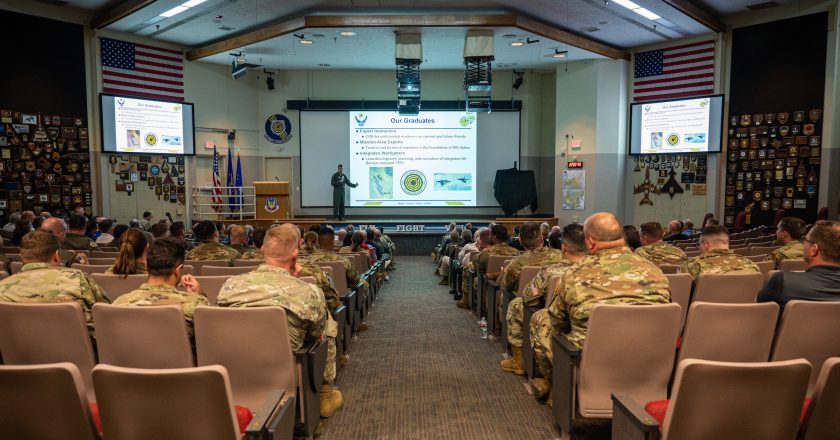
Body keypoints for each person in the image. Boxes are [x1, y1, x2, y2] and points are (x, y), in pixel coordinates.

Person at [217, 224, 343, 417]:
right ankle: (325, 393)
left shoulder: (230, 286)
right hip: (286, 365)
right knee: (328, 325)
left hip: (234, 363)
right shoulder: (308, 291)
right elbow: (317, 334)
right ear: (295, 254)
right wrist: (295, 282)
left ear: (262, 250)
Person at [542, 213, 670, 400]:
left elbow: (557, 321)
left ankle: (558, 391)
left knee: (541, 320)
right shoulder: (655, 271)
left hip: (591, 356)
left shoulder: (574, 274)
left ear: (591, 243)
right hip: (647, 355)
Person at [0, 230, 109, 339]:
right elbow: (104, 315)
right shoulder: (79, 279)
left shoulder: (2, 287)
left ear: (21, 256)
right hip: (79, 352)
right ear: (56, 256)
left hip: (18, 355)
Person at [525, 225, 587, 396]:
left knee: (540, 318)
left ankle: (554, 386)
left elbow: (530, 298)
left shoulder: (553, 271)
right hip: (625, 353)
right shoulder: (607, 274)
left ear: (564, 247)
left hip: (574, 345)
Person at [498, 222, 564, 376]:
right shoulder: (560, 256)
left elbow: (506, 285)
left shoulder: (516, 264)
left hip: (530, 304)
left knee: (514, 303)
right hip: (557, 304)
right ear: (542, 238)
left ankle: (518, 359)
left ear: (520, 240)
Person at [114, 238, 208, 343]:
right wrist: (199, 294)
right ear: (178, 270)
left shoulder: (119, 303)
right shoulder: (195, 304)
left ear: (146, 264)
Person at [758, 220, 840, 310]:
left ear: (814, 249)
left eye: (806, 240)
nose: (803, 243)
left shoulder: (782, 281)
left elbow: (760, 313)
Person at [680, 224, 759, 282]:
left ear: (705, 244)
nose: (699, 247)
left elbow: (683, 294)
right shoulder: (752, 265)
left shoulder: (691, 266)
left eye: (699, 244)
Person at [456, 227, 491, 309]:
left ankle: (466, 299)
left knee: (467, 268)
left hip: (483, 280)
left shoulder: (480, 255)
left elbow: (466, 264)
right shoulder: (514, 252)